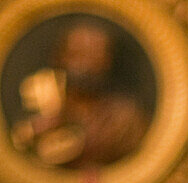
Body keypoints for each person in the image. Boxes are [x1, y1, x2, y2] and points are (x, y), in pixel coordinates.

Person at [12, 20, 149, 168]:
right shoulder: (39, 111)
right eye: (77, 54)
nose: (86, 65)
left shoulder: (127, 118)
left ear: (108, 61)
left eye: (96, 56)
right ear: (59, 57)